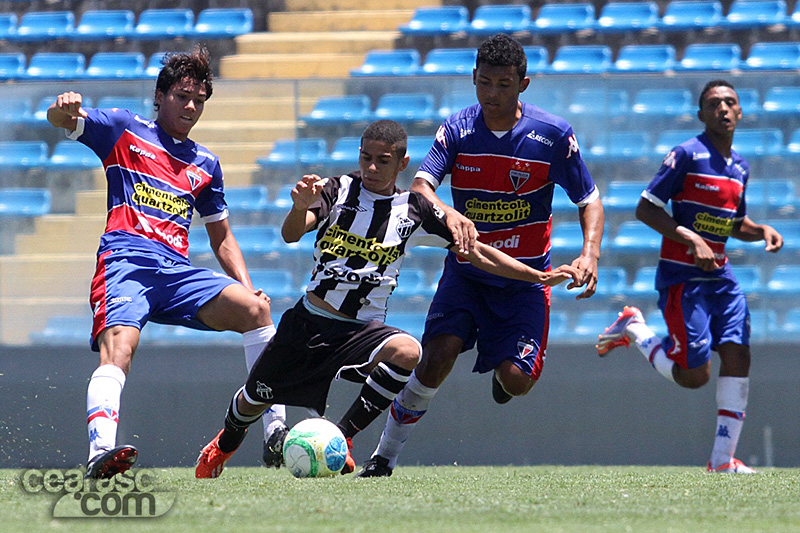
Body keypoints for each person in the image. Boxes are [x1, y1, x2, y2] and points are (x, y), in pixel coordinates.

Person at [194, 120, 581, 478]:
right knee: (252, 401)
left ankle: (343, 436)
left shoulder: (413, 211)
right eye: (366, 157)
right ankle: (225, 443)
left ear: (402, 163)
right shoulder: (337, 190)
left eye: (382, 160)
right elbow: (291, 234)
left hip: (362, 331)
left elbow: (476, 252)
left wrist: (535, 275)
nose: (372, 167)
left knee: (409, 351)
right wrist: (298, 208)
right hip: (309, 323)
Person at [358, 34, 604, 477]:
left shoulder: (552, 135)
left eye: (504, 85)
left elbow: (589, 199)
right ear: (474, 78)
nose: (492, 94)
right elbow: (421, 188)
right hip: (467, 273)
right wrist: (450, 213)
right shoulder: (457, 130)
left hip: (525, 279)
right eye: (485, 83)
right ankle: (384, 457)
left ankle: (503, 374)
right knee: (435, 358)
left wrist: (590, 254)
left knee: (516, 380)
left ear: (523, 84)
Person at [47, 47, 277, 479]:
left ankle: (275, 433)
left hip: (176, 271)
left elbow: (222, 236)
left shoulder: (206, 163)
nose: (191, 107)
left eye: (199, 100)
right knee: (120, 348)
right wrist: (63, 109)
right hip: (126, 259)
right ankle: (101, 451)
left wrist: (247, 286)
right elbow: (61, 121)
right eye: (182, 96)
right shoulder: (123, 128)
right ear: (160, 96)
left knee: (256, 311)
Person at [596, 80, 783, 473]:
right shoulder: (686, 154)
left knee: (738, 353)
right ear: (701, 114)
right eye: (714, 104)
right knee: (695, 376)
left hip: (721, 277)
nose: (723, 109)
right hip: (682, 277)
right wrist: (691, 238)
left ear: (740, 112)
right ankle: (634, 328)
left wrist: (761, 230)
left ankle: (722, 460)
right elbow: (646, 208)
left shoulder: (740, 167)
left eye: (730, 102)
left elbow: (733, 224)